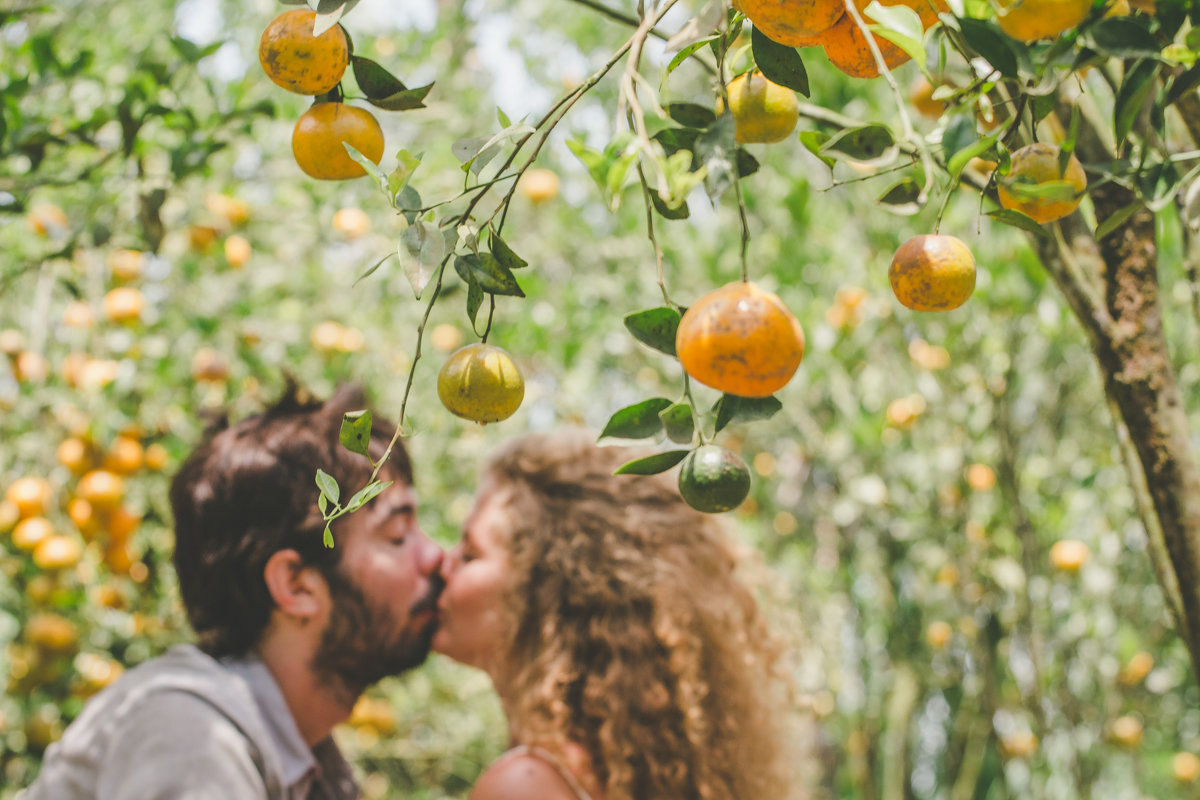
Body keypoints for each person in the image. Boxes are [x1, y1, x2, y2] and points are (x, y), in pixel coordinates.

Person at [20, 383, 445, 800]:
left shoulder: (306, 760)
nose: (436, 556)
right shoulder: (192, 738)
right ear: (295, 585)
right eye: (397, 535)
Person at [434, 430, 799, 800]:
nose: (441, 566)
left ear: (545, 591)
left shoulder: (524, 785)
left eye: (469, 554)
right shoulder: (637, 773)